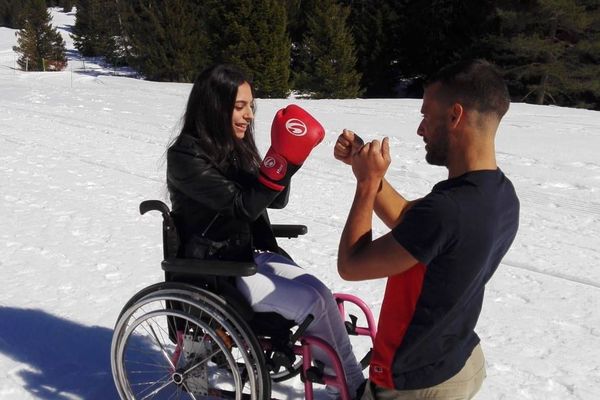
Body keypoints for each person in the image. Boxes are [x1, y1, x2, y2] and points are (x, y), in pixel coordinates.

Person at [166, 64, 364, 397]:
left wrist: (286, 159)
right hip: (217, 270)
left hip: (248, 255)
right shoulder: (186, 156)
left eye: (251, 107)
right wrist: (278, 164)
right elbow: (242, 205)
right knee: (312, 302)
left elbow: (275, 200)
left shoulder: (234, 149)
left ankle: (343, 381)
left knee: (321, 294)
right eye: (239, 107)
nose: (249, 116)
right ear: (214, 106)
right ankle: (352, 388)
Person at [334, 59, 519, 400]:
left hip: (415, 381)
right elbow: (410, 221)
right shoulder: (500, 194)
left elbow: (352, 264)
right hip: (459, 360)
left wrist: (367, 182)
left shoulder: (448, 210)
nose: (420, 129)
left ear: (455, 116)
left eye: (426, 116)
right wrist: (362, 162)